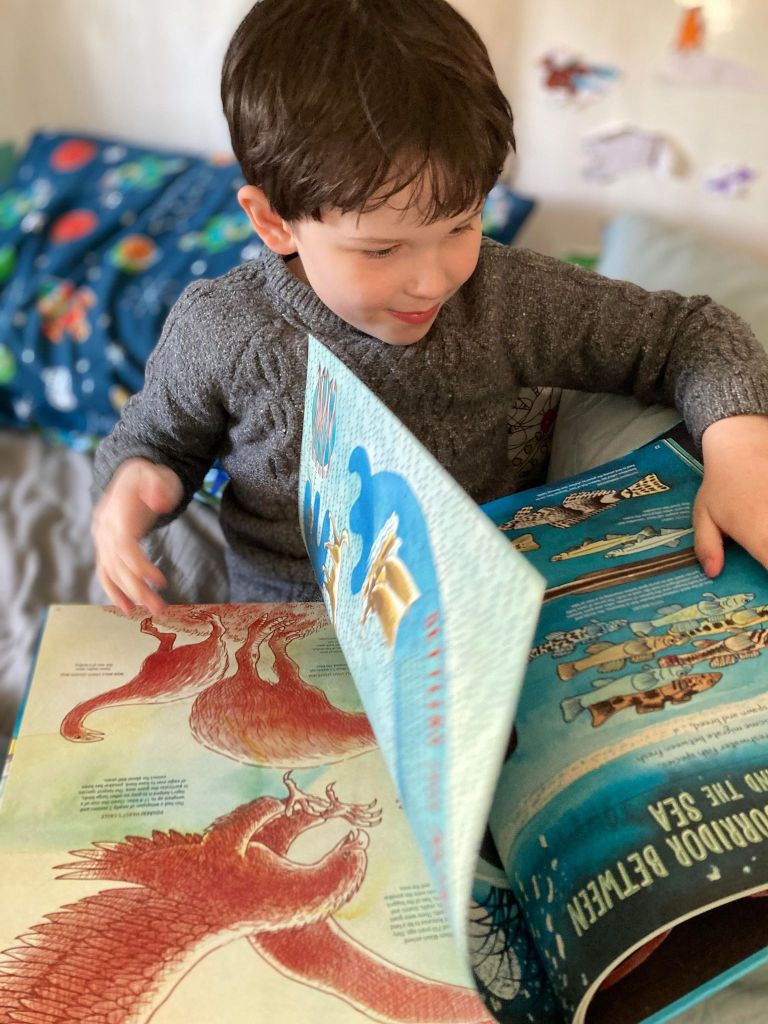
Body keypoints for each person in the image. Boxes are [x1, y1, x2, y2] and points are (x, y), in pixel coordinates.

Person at [92, 0, 768, 616]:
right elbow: (153, 441)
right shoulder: (222, 330)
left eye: (461, 225)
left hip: (482, 600)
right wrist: (134, 487)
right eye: (382, 250)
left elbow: (690, 333)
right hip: (290, 618)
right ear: (274, 223)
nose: (433, 280)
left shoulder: (510, 298)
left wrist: (742, 450)